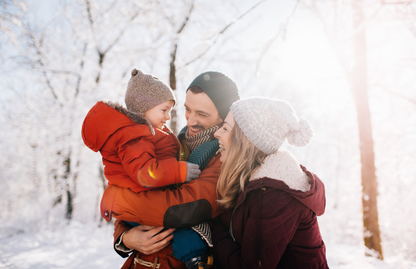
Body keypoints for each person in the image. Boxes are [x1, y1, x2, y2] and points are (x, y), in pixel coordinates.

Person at [99, 71, 241, 269]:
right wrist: (125, 237)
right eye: (187, 109)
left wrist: (119, 201)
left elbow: (187, 207)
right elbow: (136, 186)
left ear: (223, 117)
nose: (190, 121)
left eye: (201, 114)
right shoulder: (169, 143)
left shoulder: (225, 158)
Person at [81, 69, 211, 268]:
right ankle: (195, 260)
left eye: (170, 111)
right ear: (144, 108)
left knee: (182, 229)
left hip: (149, 217)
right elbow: (145, 173)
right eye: (164, 110)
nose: (168, 117)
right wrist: (124, 239)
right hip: (143, 235)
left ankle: (195, 259)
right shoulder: (135, 135)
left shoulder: (149, 133)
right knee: (182, 231)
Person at [212, 97, 329, 268]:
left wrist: (209, 228)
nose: (217, 133)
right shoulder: (256, 182)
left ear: (244, 140)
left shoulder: (274, 195)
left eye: (225, 128)